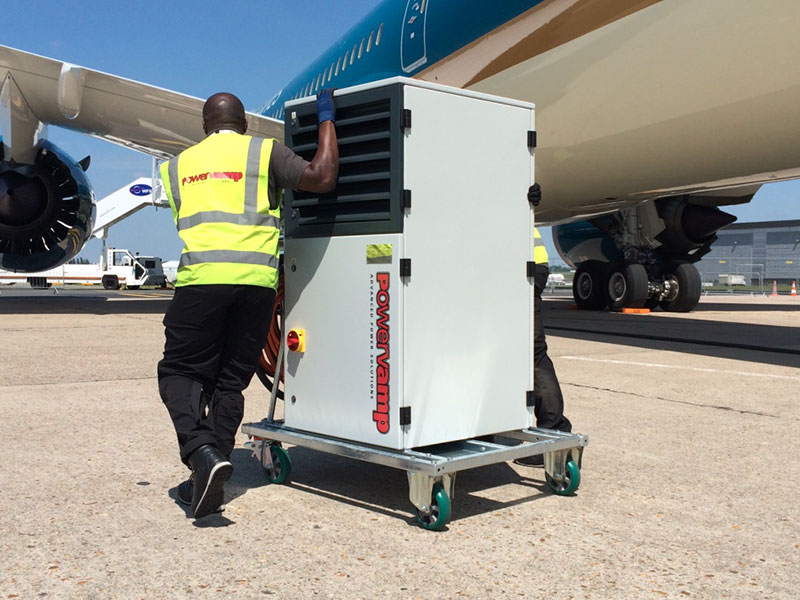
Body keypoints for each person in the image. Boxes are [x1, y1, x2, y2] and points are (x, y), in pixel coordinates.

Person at [157, 90, 339, 518]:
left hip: (202, 282)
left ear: (205, 126)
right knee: (229, 382)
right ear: (244, 124)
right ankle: (210, 476)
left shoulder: (177, 166)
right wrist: (327, 118)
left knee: (179, 372)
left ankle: (200, 451)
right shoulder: (264, 153)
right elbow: (322, 176)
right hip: (257, 285)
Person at [515, 203, 572, 467]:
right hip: (528, 264)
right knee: (528, 352)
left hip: (520, 267)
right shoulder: (512, 186)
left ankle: (553, 429)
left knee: (532, 353)